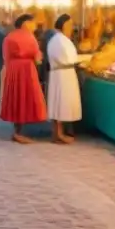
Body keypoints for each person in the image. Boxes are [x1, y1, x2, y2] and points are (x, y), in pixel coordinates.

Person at [0, 14, 47, 143]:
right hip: (26, 69)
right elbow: (37, 58)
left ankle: (17, 130)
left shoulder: (10, 37)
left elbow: (6, 56)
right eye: (32, 23)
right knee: (24, 97)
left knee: (16, 96)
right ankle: (19, 132)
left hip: (13, 68)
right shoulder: (29, 37)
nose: (34, 26)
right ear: (26, 23)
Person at [46, 14, 82, 144]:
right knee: (61, 103)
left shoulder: (58, 39)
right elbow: (68, 58)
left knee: (58, 103)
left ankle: (57, 133)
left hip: (61, 74)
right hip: (63, 75)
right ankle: (59, 133)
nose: (72, 28)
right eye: (70, 25)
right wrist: (80, 60)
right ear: (64, 25)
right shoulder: (60, 40)